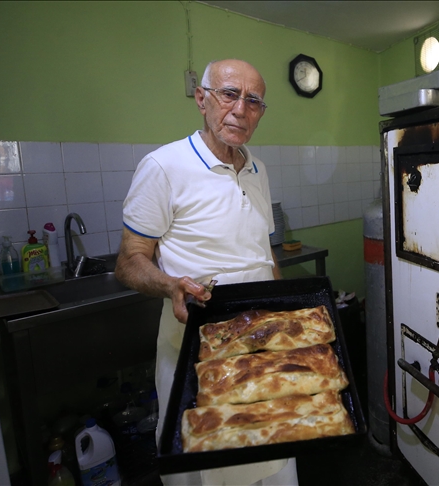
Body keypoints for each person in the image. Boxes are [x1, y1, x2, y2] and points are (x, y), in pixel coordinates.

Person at [115, 59, 296, 486]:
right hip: (197, 351)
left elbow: (262, 252)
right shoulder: (164, 167)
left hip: (261, 346)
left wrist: (285, 307)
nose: (240, 110)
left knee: (272, 450)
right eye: (229, 94)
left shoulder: (258, 170)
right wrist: (170, 285)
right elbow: (129, 260)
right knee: (207, 464)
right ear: (202, 99)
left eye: (253, 100)